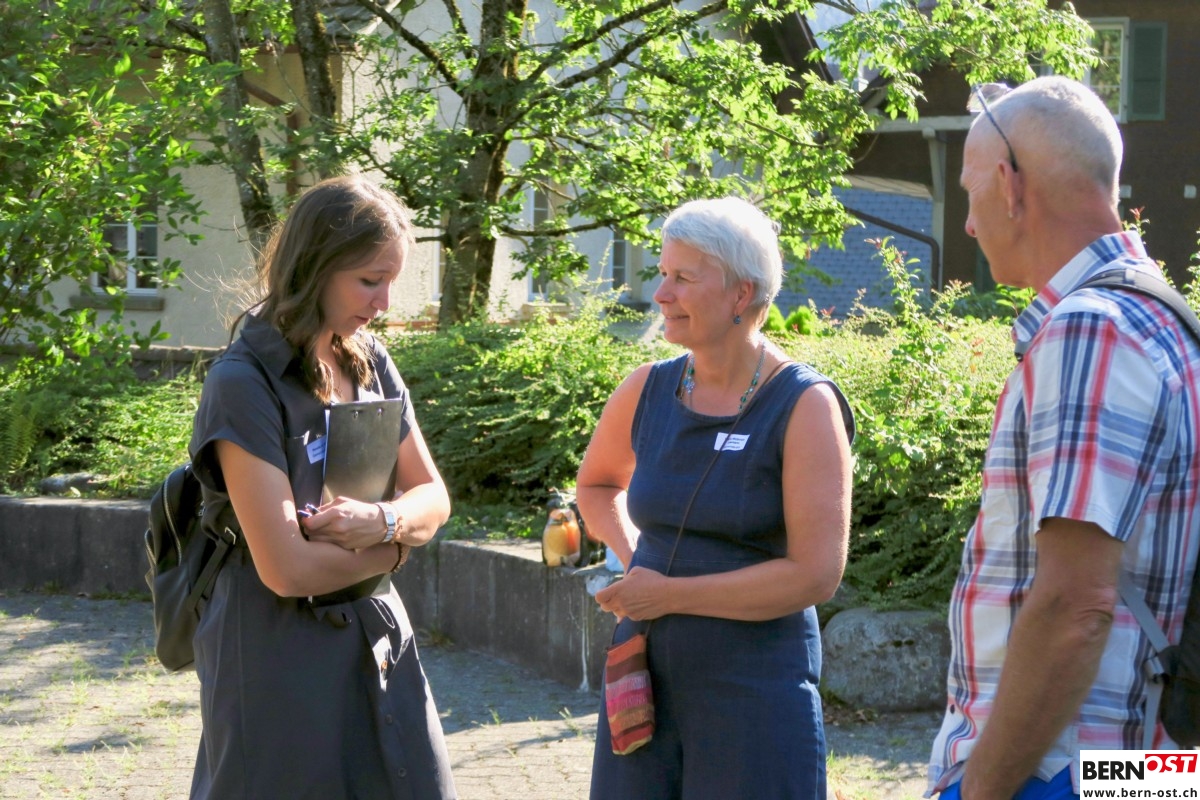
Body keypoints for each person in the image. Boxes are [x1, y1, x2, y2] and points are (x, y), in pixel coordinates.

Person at [928, 76, 1200, 800]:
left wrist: (981, 788)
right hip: (1142, 768)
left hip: (1062, 770)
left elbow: (1076, 606)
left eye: (970, 192)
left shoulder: (1090, 328)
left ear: (1009, 185)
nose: (969, 224)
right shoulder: (1163, 317)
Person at [187, 175, 458, 799]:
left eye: (391, 281)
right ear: (314, 267)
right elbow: (286, 570)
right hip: (277, 653)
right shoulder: (243, 382)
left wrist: (382, 522)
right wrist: (396, 549)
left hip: (377, 634)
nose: (384, 302)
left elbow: (433, 498)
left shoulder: (371, 358)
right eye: (369, 281)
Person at [577, 197, 855, 799]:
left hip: (755, 693)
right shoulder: (646, 387)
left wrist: (669, 594)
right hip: (643, 682)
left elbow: (815, 575)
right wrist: (636, 559)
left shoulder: (805, 405)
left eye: (683, 277)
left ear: (740, 294)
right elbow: (596, 485)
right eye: (663, 273)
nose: (661, 294)